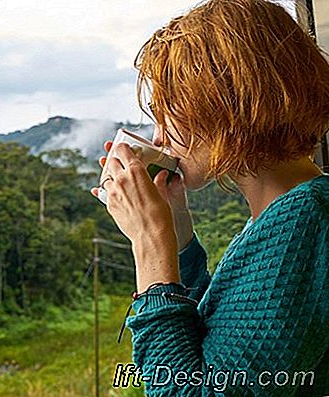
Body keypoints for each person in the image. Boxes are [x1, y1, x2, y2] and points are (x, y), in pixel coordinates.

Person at [89, 0, 329, 395]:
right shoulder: (285, 213)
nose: (159, 139)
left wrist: (150, 244)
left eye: (169, 115)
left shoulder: (305, 218)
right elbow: (216, 342)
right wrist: (177, 228)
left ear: (224, 104)